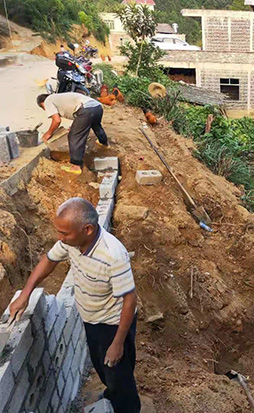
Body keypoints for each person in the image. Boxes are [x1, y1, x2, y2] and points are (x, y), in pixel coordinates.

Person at [8, 198, 140, 412]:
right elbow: (49, 261)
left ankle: (126, 406)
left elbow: (130, 300)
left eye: (64, 233)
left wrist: (117, 343)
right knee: (103, 366)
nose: (60, 238)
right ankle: (111, 393)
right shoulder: (72, 243)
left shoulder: (113, 255)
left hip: (114, 324)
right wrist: (25, 293)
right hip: (92, 320)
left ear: (87, 229)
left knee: (118, 373)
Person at [37, 93, 109, 175]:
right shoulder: (59, 98)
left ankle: (76, 167)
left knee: (74, 136)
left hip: (86, 110)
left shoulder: (47, 101)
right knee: (96, 125)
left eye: (44, 108)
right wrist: (75, 126)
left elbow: (57, 120)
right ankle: (104, 143)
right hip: (97, 107)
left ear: (42, 103)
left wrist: (48, 133)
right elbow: (77, 114)